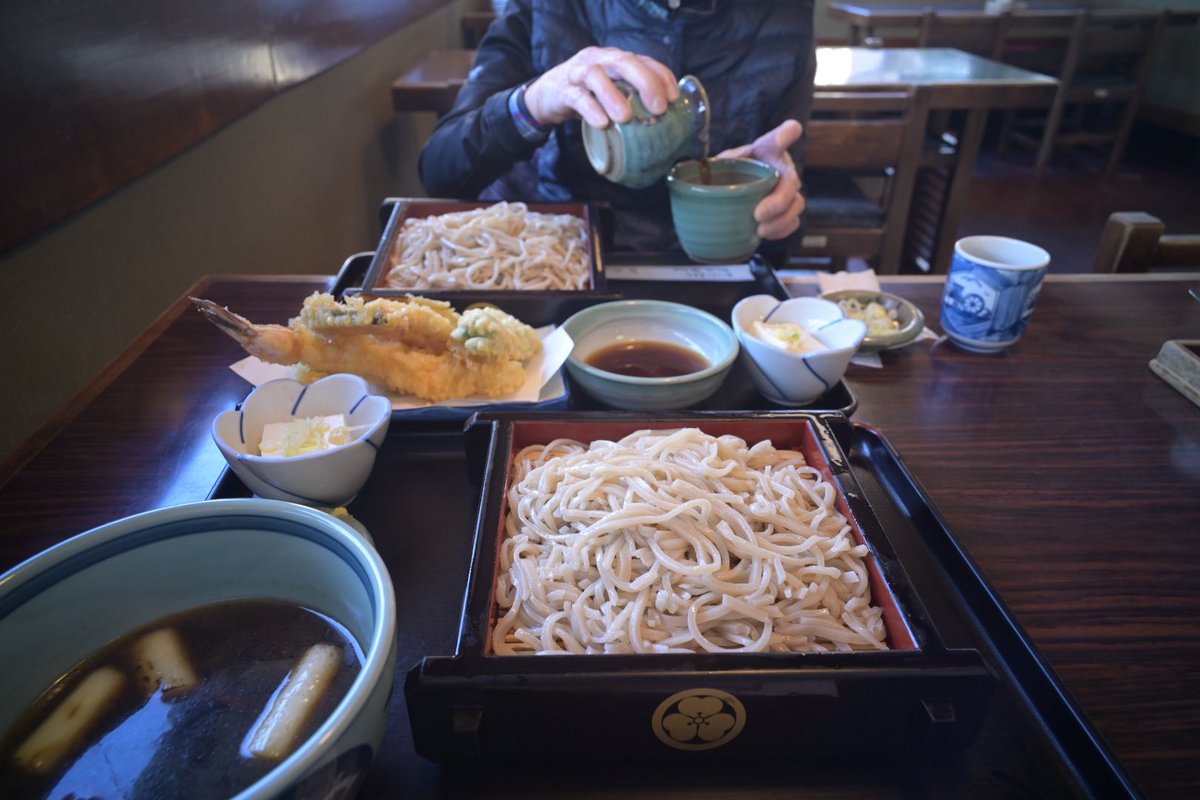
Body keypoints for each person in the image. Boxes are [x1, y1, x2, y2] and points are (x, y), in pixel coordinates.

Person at [419, 0, 814, 256]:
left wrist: (767, 205)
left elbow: (785, 222)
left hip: (695, 271)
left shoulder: (783, 13)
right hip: (555, 256)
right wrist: (534, 102)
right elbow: (440, 171)